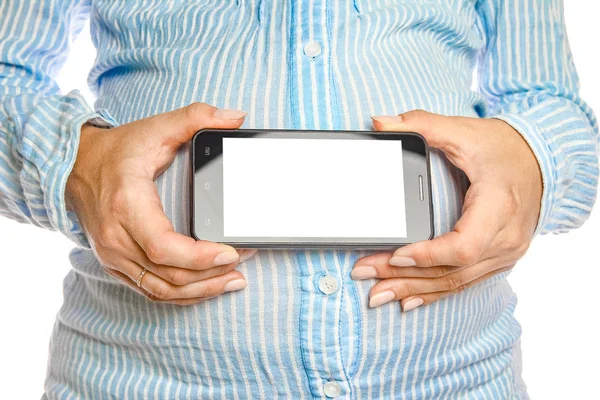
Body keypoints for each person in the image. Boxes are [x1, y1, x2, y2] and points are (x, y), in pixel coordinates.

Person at [1, 0, 597, 398]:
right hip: (136, 379)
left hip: (457, 378)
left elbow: (553, 105)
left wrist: (534, 160)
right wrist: (77, 163)